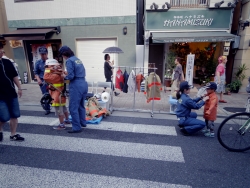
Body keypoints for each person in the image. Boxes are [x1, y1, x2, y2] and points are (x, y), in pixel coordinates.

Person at [59, 46, 88, 133]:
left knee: (73, 107)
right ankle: (83, 122)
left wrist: (64, 76)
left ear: (64, 54)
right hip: (83, 83)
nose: (62, 57)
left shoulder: (69, 61)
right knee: (81, 106)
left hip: (76, 85)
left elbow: (70, 76)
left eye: (62, 55)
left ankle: (76, 127)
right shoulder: (77, 59)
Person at [0, 46, 24, 141]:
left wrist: (19, 88)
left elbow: (14, 76)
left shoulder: (7, 62)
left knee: (15, 115)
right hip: (0, 96)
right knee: (4, 117)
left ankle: (13, 134)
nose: (1, 51)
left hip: (11, 93)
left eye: (2, 49)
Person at [43, 59, 71, 130]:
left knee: (59, 110)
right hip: (61, 94)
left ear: (52, 65)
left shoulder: (55, 75)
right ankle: (67, 120)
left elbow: (45, 78)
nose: (47, 67)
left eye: (48, 66)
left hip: (56, 95)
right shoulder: (60, 72)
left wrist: (47, 70)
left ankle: (61, 125)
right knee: (64, 108)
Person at [34, 46, 50, 115]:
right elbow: (36, 72)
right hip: (42, 81)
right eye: (42, 54)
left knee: (52, 95)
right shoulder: (38, 63)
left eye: (44, 54)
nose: (43, 55)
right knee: (45, 95)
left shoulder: (50, 62)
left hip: (50, 81)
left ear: (47, 54)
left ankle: (55, 106)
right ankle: (47, 109)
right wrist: (38, 79)